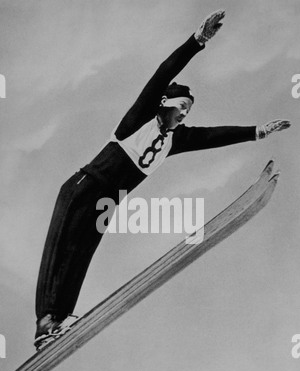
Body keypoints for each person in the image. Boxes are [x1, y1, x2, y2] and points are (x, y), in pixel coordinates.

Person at [34, 10, 291, 349]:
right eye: (181, 106)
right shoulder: (141, 117)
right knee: (62, 247)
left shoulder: (174, 140)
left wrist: (256, 132)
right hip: (85, 186)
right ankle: (45, 320)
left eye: (189, 110)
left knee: (81, 255)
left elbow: (213, 136)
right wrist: (197, 41)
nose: (185, 114)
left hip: (107, 201)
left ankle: (59, 320)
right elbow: (163, 72)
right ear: (164, 103)